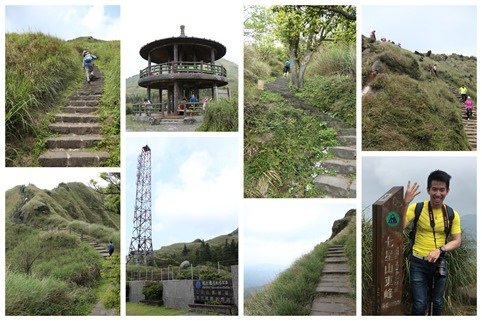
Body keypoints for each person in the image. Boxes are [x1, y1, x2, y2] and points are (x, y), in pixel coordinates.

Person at [403, 170, 462, 315]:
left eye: (442, 189)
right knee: (419, 304)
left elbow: (457, 241)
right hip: (418, 262)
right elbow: (399, 227)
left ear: (447, 191)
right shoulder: (417, 208)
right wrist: (405, 203)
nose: (438, 193)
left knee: (437, 303)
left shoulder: (452, 214)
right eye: (434, 189)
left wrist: (440, 250)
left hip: (439, 262)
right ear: (428, 190)